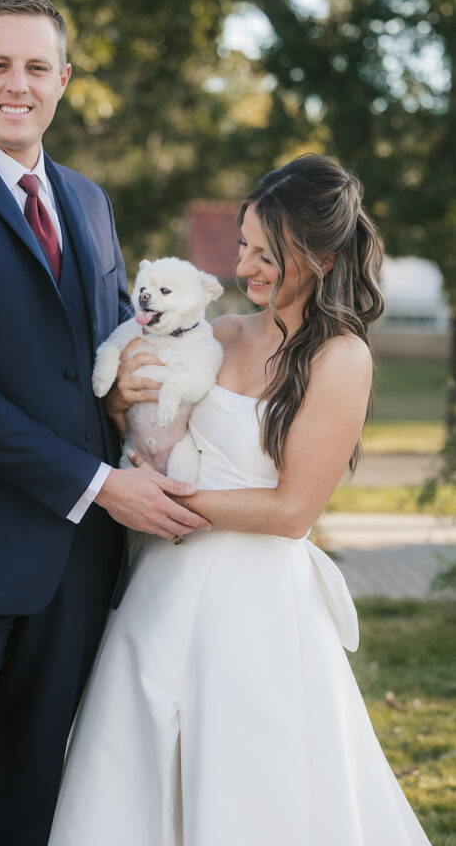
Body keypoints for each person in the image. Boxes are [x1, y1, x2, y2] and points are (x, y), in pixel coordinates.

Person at [0, 0, 209, 846]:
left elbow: (108, 350)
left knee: (33, 796)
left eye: (34, 66)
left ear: (62, 79)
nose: (15, 84)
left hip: (75, 560)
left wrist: (132, 402)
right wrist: (99, 485)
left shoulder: (89, 201)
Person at [47, 154, 432, 846]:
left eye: (265, 255)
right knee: (132, 772)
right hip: (161, 588)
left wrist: (162, 502)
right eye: (243, 245)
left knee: (247, 782)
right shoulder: (218, 336)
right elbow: (141, 425)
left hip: (255, 605)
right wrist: (118, 402)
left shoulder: (339, 358)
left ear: (320, 258)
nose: (243, 267)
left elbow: (292, 512)